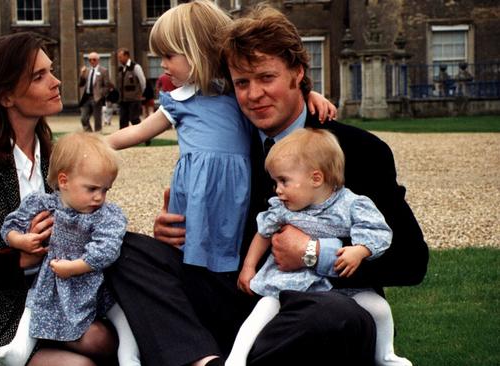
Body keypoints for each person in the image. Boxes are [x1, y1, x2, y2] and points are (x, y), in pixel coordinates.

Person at [108, 2, 428, 366]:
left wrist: (315, 253)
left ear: (298, 73)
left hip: (317, 304)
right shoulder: (236, 143)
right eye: (242, 82)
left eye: (266, 78)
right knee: (127, 251)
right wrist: (174, 232)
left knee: (330, 315)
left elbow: (410, 260)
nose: (253, 94)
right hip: (241, 297)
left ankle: (205, 352)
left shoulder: (356, 150)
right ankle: (204, 358)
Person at [0, 32, 117, 366]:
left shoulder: (54, 156)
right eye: (39, 76)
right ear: (5, 97)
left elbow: (92, 218)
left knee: (104, 342)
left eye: (51, 71)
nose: (56, 82)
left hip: (49, 298)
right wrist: (16, 260)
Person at [227, 128, 411, 366]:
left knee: (379, 307)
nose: (277, 189)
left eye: (283, 181)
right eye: (275, 182)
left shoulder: (351, 205)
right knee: (264, 307)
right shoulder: (283, 208)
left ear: (316, 178)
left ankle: (385, 355)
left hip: (341, 290)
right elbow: (263, 233)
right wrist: (248, 267)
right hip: (288, 283)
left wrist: (360, 250)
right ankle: (236, 357)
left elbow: (378, 231)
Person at [0, 132, 139, 366]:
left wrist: (75, 267)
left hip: (94, 282)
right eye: (92, 189)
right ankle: (18, 350)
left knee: (122, 314)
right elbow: (10, 225)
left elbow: (107, 249)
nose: (99, 197)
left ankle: (129, 356)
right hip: (53, 283)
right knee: (33, 306)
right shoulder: (44, 204)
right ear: (64, 181)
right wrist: (21, 241)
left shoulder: (105, 216)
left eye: (105, 190)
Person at [79, 52, 113, 132]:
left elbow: (107, 85)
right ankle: (90, 135)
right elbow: (81, 84)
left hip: (97, 98)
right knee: (83, 118)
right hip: (86, 97)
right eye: (89, 60)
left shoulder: (103, 71)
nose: (92, 61)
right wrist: (82, 75)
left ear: (98, 60)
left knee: (97, 120)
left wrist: (101, 94)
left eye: (94, 59)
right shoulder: (86, 70)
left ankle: (98, 138)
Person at [116, 48, 146, 130]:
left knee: (134, 119)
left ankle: (145, 136)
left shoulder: (136, 67)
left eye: (120, 57)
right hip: (123, 100)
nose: (119, 59)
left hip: (134, 99)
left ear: (126, 56)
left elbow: (142, 82)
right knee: (122, 120)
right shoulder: (120, 69)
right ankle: (123, 140)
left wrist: (139, 94)